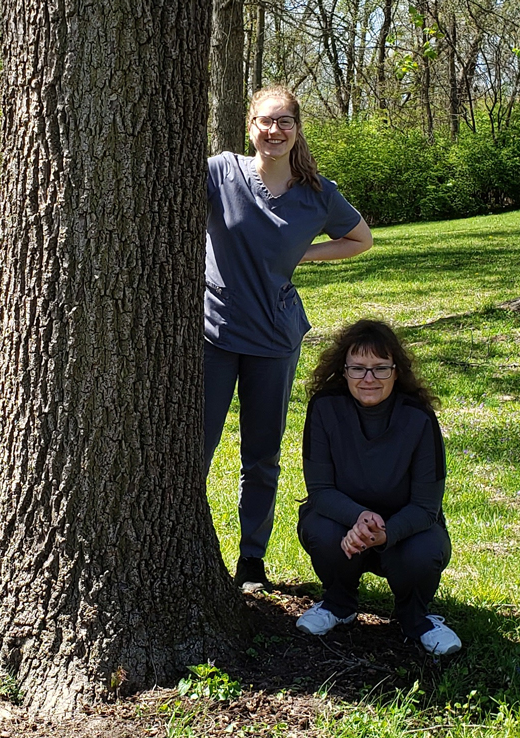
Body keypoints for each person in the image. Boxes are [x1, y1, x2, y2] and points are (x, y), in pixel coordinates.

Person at [204, 84, 373, 592]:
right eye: (264, 121)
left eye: (284, 122)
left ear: (297, 129)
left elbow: (360, 239)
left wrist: (305, 256)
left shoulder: (319, 192)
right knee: (196, 446)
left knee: (262, 454)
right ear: (249, 126)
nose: (273, 131)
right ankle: (188, 551)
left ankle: (251, 558)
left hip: (275, 337)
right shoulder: (219, 172)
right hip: (213, 332)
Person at [296, 319, 461, 655]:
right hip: (345, 523)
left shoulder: (419, 417)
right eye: (357, 368)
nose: (368, 378)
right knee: (319, 528)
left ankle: (417, 618)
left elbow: (427, 505)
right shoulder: (324, 408)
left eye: (379, 368)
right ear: (343, 371)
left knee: (425, 550)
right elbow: (320, 489)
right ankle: (338, 604)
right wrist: (359, 518)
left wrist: (385, 531)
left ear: (396, 371)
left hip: (407, 528)